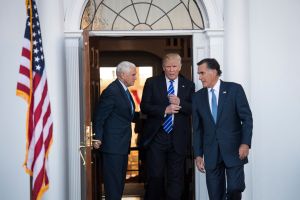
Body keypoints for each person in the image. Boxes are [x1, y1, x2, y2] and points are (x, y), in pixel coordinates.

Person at [193, 58, 253, 200]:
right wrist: (198, 154)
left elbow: (247, 119)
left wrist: (245, 143)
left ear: (214, 72)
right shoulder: (197, 97)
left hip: (234, 150)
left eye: (202, 73)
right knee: (215, 195)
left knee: (235, 187)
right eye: (199, 74)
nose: (200, 77)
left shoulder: (234, 89)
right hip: (211, 152)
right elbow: (197, 129)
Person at [140, 53, 195, 200]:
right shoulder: (152, 82)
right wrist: (164, 110)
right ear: (163, 68)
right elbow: (144, 106)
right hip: (157, 137)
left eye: (174, 66)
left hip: (178, 139)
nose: (171, 70)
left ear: (180, 67)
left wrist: (180, 103)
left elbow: (194, 109)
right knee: (156, 176)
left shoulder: (189, 85)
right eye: (168, 67)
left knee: (176, 178)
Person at [93, 61, 138, 200]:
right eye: (133, 74)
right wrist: (97, 138)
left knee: (118, 183)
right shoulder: (112, 91)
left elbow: (127, 114)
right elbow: (100, 117)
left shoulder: (123, 89)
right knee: (113, 184)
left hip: (121, 144)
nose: (135, 77)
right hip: (112, 146)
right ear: (123, 75)